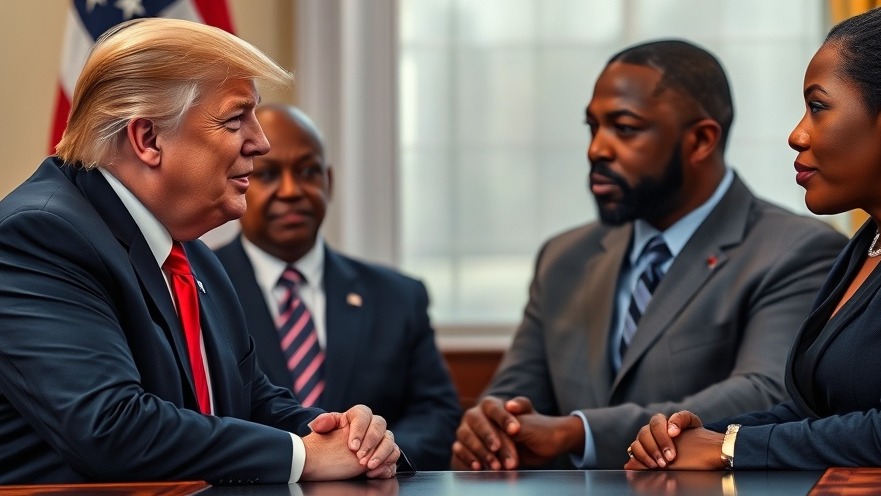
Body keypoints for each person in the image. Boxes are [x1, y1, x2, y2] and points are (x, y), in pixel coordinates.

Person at [0, 18, 400, 484]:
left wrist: (353, 438)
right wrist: (304, 456)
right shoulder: (40, 235)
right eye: (235, 119)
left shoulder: (191, 255)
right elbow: (111, 428)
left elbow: (254, 404)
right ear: (148, 139)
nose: (261, 142)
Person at [450, 39, 848, 471]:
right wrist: (492, 426)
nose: (596, 149)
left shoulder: (797, 249)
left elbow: (764, 392)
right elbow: (515, 396)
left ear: (700, 140)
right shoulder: (564, 256)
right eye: (592, 128)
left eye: (624, 128)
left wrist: (580, 432)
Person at [626, 7, 881, 471]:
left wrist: (730, 448)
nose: (796, 134)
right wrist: (700, 435)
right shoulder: (864, 246)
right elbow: (815, 414)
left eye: (818, 106)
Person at [213, 104, 462, 470]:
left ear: (328, 181)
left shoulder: (398, 297)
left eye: (308, 171)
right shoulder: (200, 286)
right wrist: (304, 461)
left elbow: (437, 414)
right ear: (241, 179)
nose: (291, 190)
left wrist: (371, 456)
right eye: (268, 174)